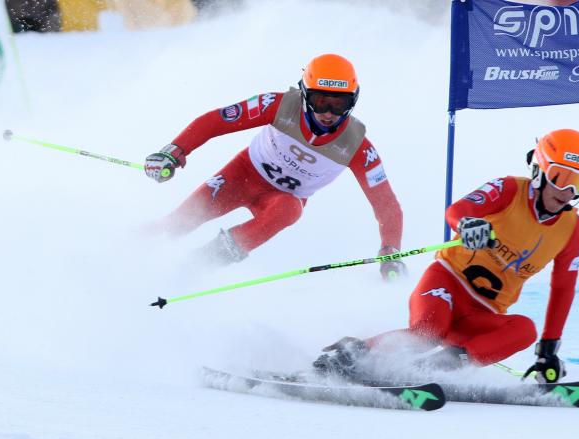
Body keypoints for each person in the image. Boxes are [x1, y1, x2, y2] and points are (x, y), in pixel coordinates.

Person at [313, 129, 579, 383]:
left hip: (482, 313)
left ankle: (440, 367)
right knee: (429, 331)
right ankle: (351, 354)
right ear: (540, 170)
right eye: (562, 178)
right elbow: (457, 210)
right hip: (446, 284)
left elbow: (563, 288)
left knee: (524, 329)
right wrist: (467, 225)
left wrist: (548, 348)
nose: (568, 192)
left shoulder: (572, 230)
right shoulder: (509, 189)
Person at [144, 53, 406, 279]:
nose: (328, 113)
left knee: (290, 209)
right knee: (176, 225)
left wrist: (390, 250)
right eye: (320, 101)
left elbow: (386, 204)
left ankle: (199, 265)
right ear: (304, 94)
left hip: (281, 199)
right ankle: (124, 250)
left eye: (339, 103)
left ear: (353, 100)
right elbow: (217, 121)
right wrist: (174, 151)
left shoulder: (358, 146)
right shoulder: (279, 105)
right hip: (241, 176)